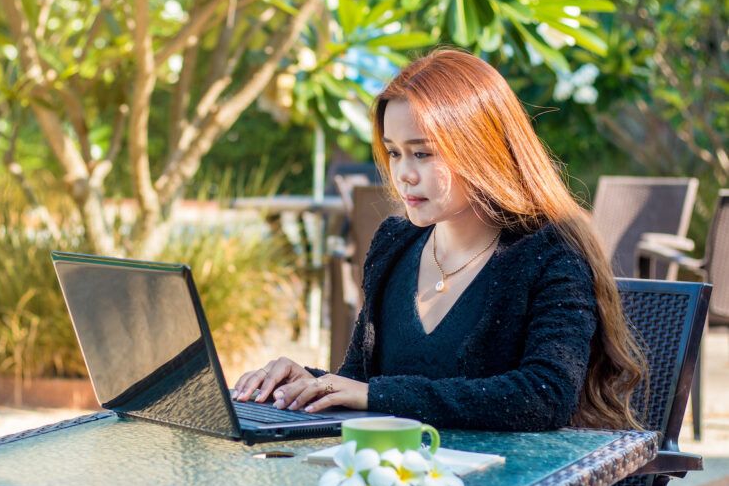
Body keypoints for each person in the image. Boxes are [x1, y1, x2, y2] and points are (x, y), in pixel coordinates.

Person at [232, 48, 647, 431]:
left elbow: (544, 396)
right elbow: (361, 381)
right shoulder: (395, 243)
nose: (404, 174)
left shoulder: (551, 253)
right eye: (394, 153)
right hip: (402, 481)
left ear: (481, 149)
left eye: (423, 153)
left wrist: (375, 395)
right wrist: (308, 382)